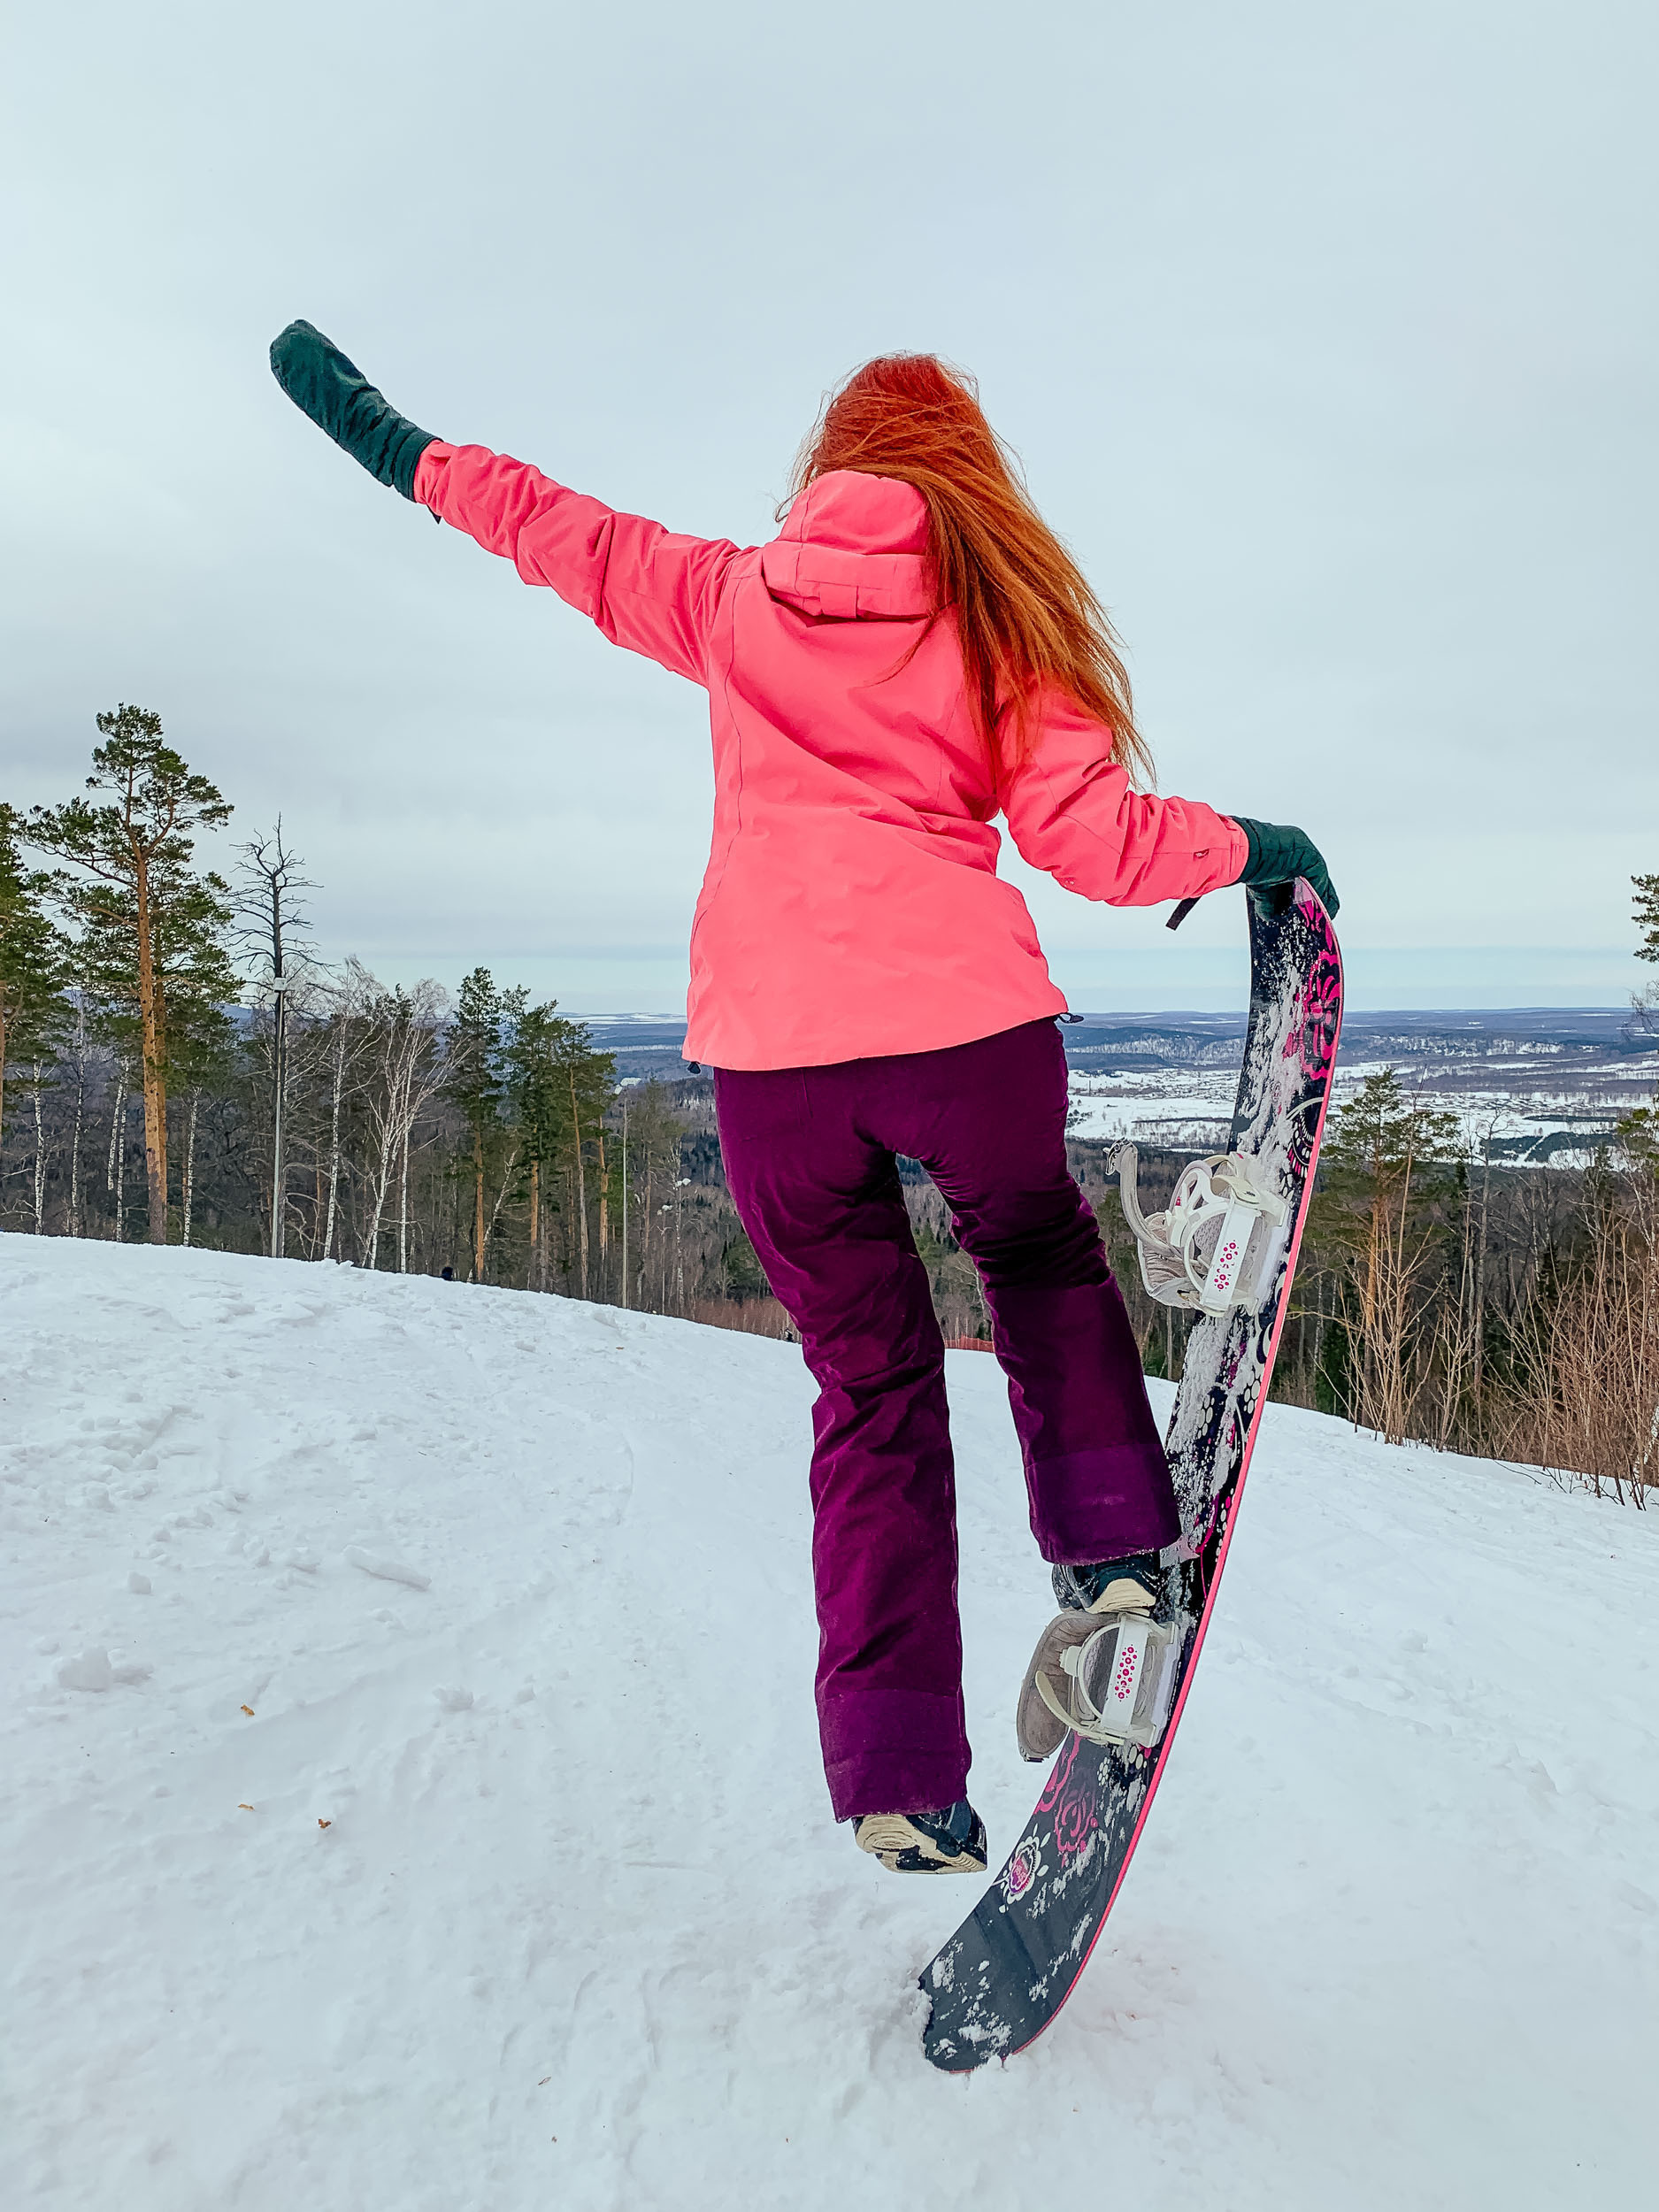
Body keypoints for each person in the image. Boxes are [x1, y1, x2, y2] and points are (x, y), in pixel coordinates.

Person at [271, 324, 1337, 1875]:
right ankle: (1112, 1548)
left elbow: (541, 520)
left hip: (773, 1057)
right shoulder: (1002, 616)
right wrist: (1255, 842)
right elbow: (1094, 844)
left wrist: (381, 433)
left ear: (827, 470)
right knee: (1035, 1251)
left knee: (872, 1388)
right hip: (966, 1030)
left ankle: (899, 1772)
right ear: (967, 474)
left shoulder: (726, 594)